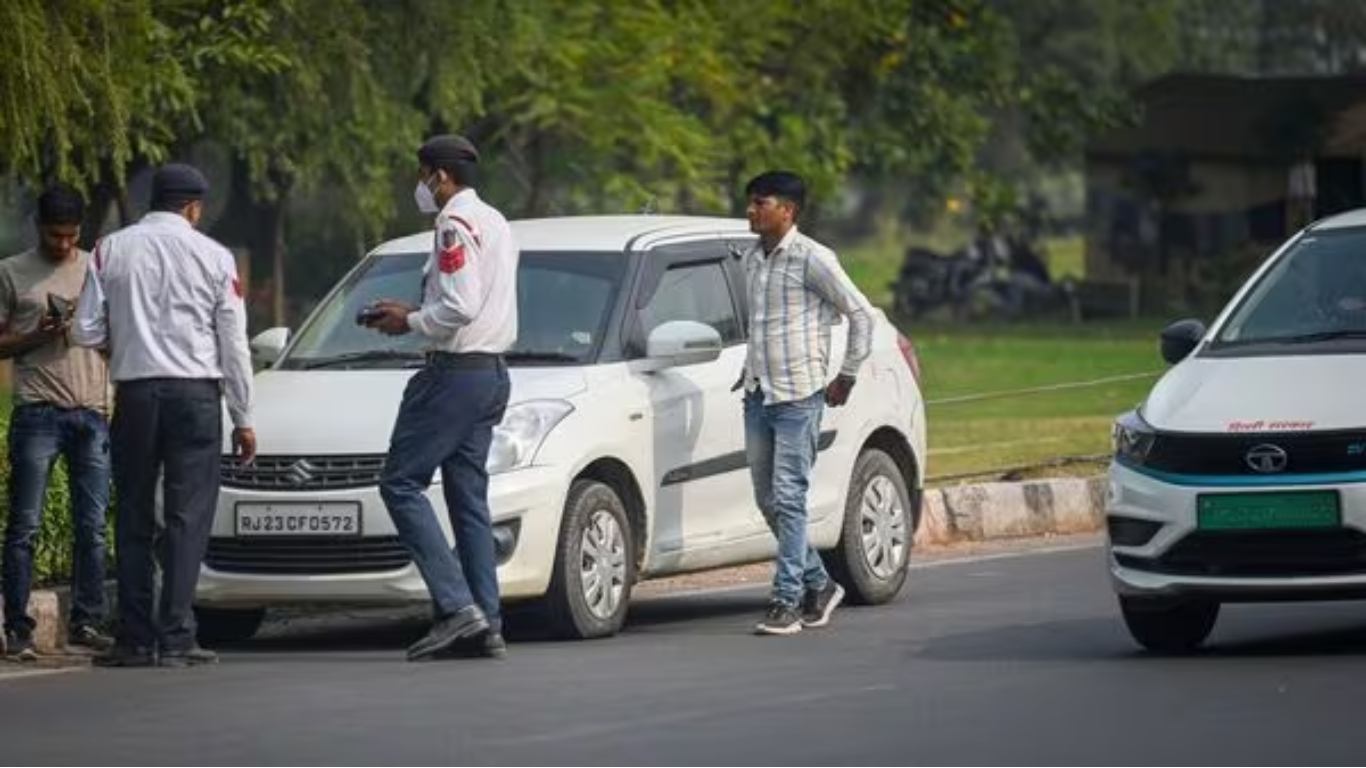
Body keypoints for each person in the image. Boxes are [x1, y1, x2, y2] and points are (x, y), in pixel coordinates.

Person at [71, 163, 256, 667]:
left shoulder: (111, 248)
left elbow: (84, 330)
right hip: (196, 398)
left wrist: (127, 347)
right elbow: (233, 345)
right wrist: (243, 415)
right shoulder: (215, 257)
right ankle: (177, 634)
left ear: (154, 200)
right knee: (186, 517)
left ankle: (135, 639)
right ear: (193, 207)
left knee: (132, 513)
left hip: (135, 395)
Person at [362, 134, 518, 661]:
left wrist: (410, 320)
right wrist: (413, 311)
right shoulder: (495, 221)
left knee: (399, 483)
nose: (421, 187)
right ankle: (487, 622)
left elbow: (460, 306)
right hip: (491, 373)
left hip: (453, 375)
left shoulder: (452, 224)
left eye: (424, 175)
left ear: (441, 178)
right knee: (467, 499)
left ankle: (456, 609)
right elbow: (468, 300)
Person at [739, 170, 875, 635]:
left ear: (787, 210)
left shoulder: (813, 258)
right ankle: (820, 583)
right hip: (759, 393)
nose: (751, 211)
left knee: (791, 497)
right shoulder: (751, 260)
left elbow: (860, 314)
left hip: (799, 396)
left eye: (760, 203)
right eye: (751, 203)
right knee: (767, 499)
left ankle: (787, 601)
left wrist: (848, 375)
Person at [0, 184, 114, 660]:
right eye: (54, 236)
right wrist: (35, 335)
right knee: (23, 526)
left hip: (92, 411)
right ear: (39, 228)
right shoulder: (12, 272)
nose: (63, 246)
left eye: (70, 237)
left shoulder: (98, 269)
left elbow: (118, 336)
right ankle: (18, 629)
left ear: (80, 231)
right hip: (38, 410)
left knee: (91, 528)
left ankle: (87, 621)